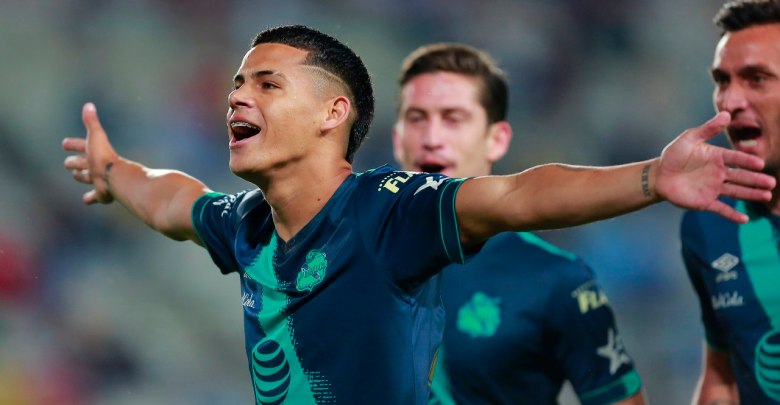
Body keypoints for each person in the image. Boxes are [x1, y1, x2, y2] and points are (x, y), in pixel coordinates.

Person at [62, 25, 773, 405]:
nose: (237, 96)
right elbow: (173, 201)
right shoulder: (247, 224)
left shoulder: (386, 211)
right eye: (237, 83)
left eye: (267, 83)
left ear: (332, 113)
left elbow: (515, 195)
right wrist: (113, 171)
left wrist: (651, 177)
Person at [392, 43, 646, 405]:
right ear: (398, 138)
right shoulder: (345, 254)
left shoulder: (554, 279)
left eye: (453, 119)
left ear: (496, 140)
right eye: (417, 118)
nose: (432, 139)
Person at [681, 1, 780, 403]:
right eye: (723, 81)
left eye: (756, 79)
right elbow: (723, 375)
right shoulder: (710, 223)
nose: (730, 101)